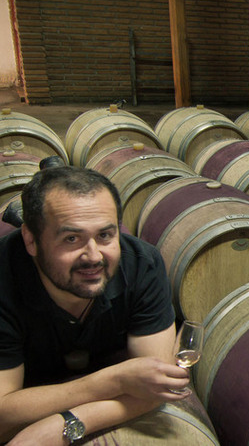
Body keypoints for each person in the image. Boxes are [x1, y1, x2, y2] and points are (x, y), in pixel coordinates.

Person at [0, 166, 189, 445]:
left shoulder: (141, 264)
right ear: (31, 240)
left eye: (105, 235)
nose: (93, 256)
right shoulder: (5, 277)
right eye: (72, 239)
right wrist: (115, 381)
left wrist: (68, 422)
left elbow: (156, 385)